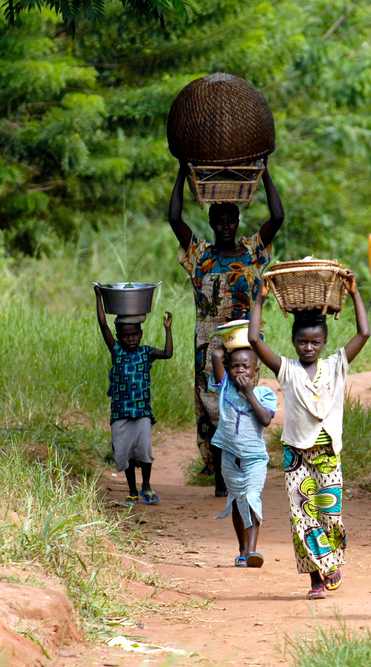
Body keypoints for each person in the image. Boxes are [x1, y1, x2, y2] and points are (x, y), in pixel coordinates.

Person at [248, 272, 371, 599]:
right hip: (296, 457)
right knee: (303, 518)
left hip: (328, 454)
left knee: (329, 513)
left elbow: (364, 332)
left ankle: (332, 561)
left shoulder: (336, 366)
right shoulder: (286, 369)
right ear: (294, 342)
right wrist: (259, 300)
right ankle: (316, 580)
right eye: (302, 342)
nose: (308, 347)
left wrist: (354, 293)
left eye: (315, 342)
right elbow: (255, 341)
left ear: (325, 342)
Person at [168, 164, 284, 497]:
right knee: (212, 407)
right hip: (208, 343)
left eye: (230, 220)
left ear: (237, 221)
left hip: (246, 344)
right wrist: (181, 172)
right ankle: (221, 477)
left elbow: (277, 217)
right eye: (219, 221)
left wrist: (266, 173)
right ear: (211, 223)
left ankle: (243, 470)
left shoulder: (251, 253)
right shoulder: (199, 256)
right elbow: (174, 218)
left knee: (242, 404)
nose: (225, 226)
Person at [94, 286, 173, 505]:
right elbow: (103, 324)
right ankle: (131, 490)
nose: (130, 339)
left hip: (142, 412)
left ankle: (146, 486)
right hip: (120, 412)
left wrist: (168, 329)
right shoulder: (116, 351)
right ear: (118, 337)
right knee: (124, 452)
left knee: (144, 451)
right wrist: (99, 297)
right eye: (125, 335)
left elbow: (167, 354)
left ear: (141, 334)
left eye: (134, 334)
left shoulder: (146, 352)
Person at [209, 341, 277, 568]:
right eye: (235, 366)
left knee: (251, 498)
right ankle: (242, 548)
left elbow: (266, 420)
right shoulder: (225, 388)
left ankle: (252, 550)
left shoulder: (264, 394)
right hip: (229, 457)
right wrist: (226, 344)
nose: (240, 370)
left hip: (255, 459)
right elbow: (217, 357)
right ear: (228, 369)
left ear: (255, 371)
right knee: (238, 502)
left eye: (245, 366)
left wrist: (249, 393)